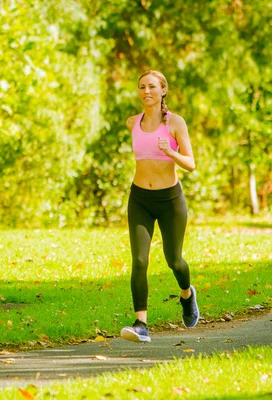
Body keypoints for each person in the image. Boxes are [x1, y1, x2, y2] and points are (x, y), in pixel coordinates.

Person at [120, 70, 199, 343]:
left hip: (170, 200)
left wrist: (171, 152)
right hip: (140, 198)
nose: (146, 92)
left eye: (152, 87)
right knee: (139, 261)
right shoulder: (133, 122)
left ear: (163, 90)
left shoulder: (175, 123)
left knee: (174, 261)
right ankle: (141, 324)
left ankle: (187, 295)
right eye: (142, 87)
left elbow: (191, 163)